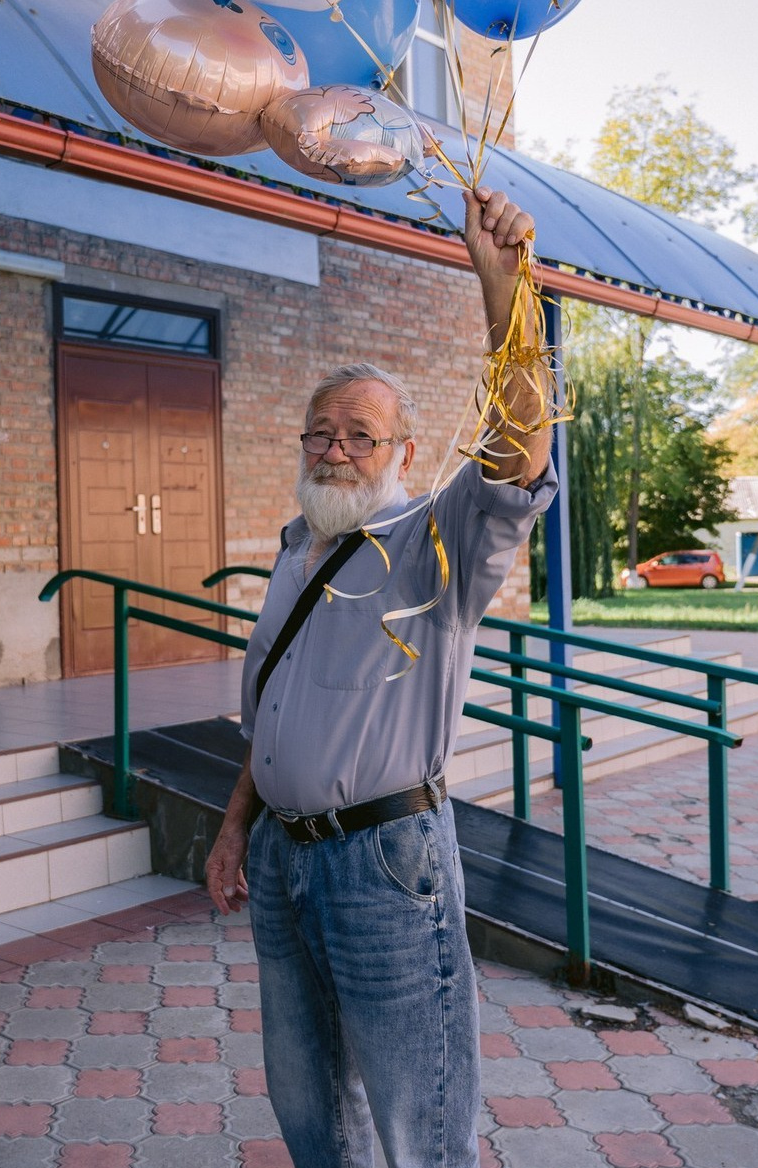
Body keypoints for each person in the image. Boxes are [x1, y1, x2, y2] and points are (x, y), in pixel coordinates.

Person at [204, 186, 558, 1168]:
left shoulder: (430, 537)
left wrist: (505, 294)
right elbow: (269, 712)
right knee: (307, 1101)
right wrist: (237, 825)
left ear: (402, 452)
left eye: (359, 433)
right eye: (320, 430)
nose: (334, 447)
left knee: (417, 1111)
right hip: (281, 857)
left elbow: (515, 452)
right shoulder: (292, 546)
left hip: (385, 863)